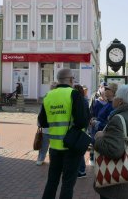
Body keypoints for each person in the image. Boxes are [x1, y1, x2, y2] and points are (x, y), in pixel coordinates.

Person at [38, 69, 88, 199]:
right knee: (68, 183)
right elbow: (82, 121)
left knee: (52, 181)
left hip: (54, 147)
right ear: (71, 80)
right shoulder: (74, 94)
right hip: (71, 146)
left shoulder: (48, 95)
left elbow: (42, 121)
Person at [93, 85, 128, 199]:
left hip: (117, 182)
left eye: (116, 96)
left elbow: (113, 150)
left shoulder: (118, 119)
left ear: (121, 101)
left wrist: (98, 138)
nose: (113, 98)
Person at [90, 83, 117, 165]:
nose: (105, 90)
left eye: (107, 89)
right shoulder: (108, 103)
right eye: (105, 89)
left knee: (102, 164)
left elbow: (110, 123)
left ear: (112, 92)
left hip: (104, 137)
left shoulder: (113, 105)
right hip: (99, 135)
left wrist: (97, 123)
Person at [36, 81, 58, 166]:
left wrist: (39, 123)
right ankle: (53, 161)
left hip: (46, 125)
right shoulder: (59, 98)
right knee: (54, 145)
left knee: (44, 144)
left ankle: (40, 159)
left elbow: (41, 112)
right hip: (56, 126)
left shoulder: (46, 97)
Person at [74, 84, 91, 178]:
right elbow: (88, 115)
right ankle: (81, 170)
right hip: (83, 128)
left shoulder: (78, 101)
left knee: (78, 150)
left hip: (78, 128)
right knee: (79, 149)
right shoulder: (84, 100)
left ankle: (81, 170)